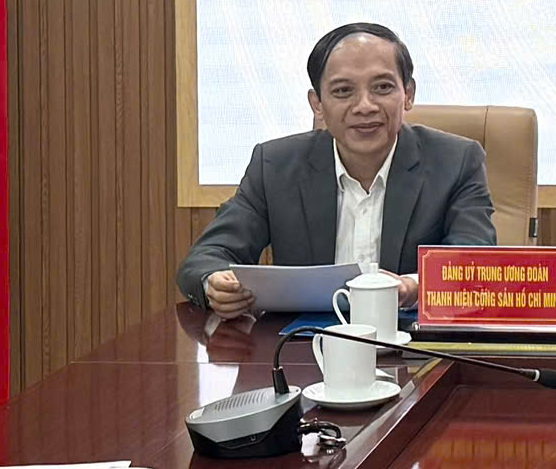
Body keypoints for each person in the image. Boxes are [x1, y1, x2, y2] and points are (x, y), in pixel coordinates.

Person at [178, 23, 496, 316]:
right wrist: (213, 282)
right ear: (317, 103)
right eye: (343, 91)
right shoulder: (274, 166)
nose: (365, 106)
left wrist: (414, 287)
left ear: (408, 94)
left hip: (412, 346)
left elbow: (474, 261)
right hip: (300, 346)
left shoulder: (456, 161)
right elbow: (207, 257)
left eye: (383, 87)